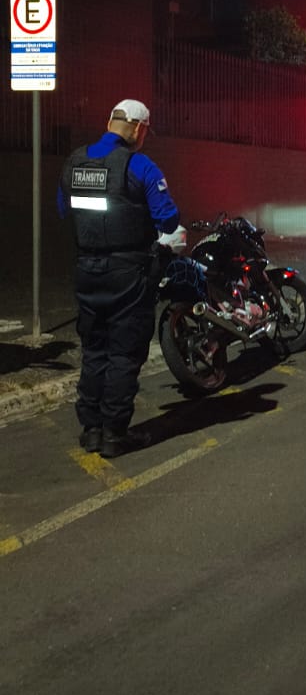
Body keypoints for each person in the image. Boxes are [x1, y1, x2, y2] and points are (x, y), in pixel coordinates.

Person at [59, 99, 185, 458]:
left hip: (87, 271)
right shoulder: (139, 165)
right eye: (145, 131)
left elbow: (63, 208)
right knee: (123, 353)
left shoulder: (74, 161)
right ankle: (114, 433)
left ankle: (91, 430)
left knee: (94, 349)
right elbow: (169, 220)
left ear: (109, 122)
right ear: (138, 128)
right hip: (128, 273)